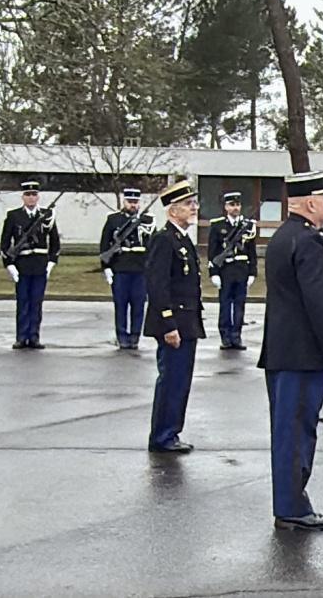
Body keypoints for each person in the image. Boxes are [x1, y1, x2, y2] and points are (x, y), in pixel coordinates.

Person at [258, 171, 323, 531]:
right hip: (302, 354)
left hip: (283, 351)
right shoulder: (308, 242)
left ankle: (289, 503)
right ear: (310, 204)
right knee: (297, 433)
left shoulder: (284, 237)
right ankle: (293, 507)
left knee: (286, 432)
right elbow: (319, 299)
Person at [143, 180, 205, 454]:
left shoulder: (182, 239)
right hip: (174, 324)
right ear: (172, 211)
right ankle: (162, 435)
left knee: (181, 382)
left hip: (187, 322)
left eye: (194, 203)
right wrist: (168, 324)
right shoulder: (164, 239)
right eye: (188, 204)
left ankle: (172, 432)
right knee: (171, 381)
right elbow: (158, 286)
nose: (194, 208)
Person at [0, 179, 61, 350]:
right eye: (28, 194)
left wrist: (51, 263)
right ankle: (21, 337)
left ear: (38, 197)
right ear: (23, 197)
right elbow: (5, 243)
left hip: (40, 265)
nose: (31, 198)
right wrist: (9, 265)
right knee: (23, 303)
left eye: (34, 194)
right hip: (22, 264)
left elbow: (55, 242)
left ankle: (34, 336)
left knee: (36, 303)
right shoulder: (13, 216)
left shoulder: (47, 216)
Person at [99, 188, 154, 350]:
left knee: (138, 305)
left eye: (135, 202)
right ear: (124, 202)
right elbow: (104, 244)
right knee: (121, 305)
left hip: (140, 269)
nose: (133, 205)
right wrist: (106, 268)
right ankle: (122, 336)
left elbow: (153, 246)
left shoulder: (148, 220)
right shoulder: (114, 219)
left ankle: (135, 336)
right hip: (120, 268)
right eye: (130, 202)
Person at [207, 192, 259, 350]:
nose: (235, 208)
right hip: (226, 270)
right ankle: (225, 337)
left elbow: (252, 251)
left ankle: (236, 336)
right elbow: (212, 252)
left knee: (239, 305)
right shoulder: (217, 226)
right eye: (232, 205)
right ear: (226, 207)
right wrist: (214, 273)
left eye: (237, 205)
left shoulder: (247, 226)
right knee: (225, 305)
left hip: (241, 270)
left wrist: (252, 272)